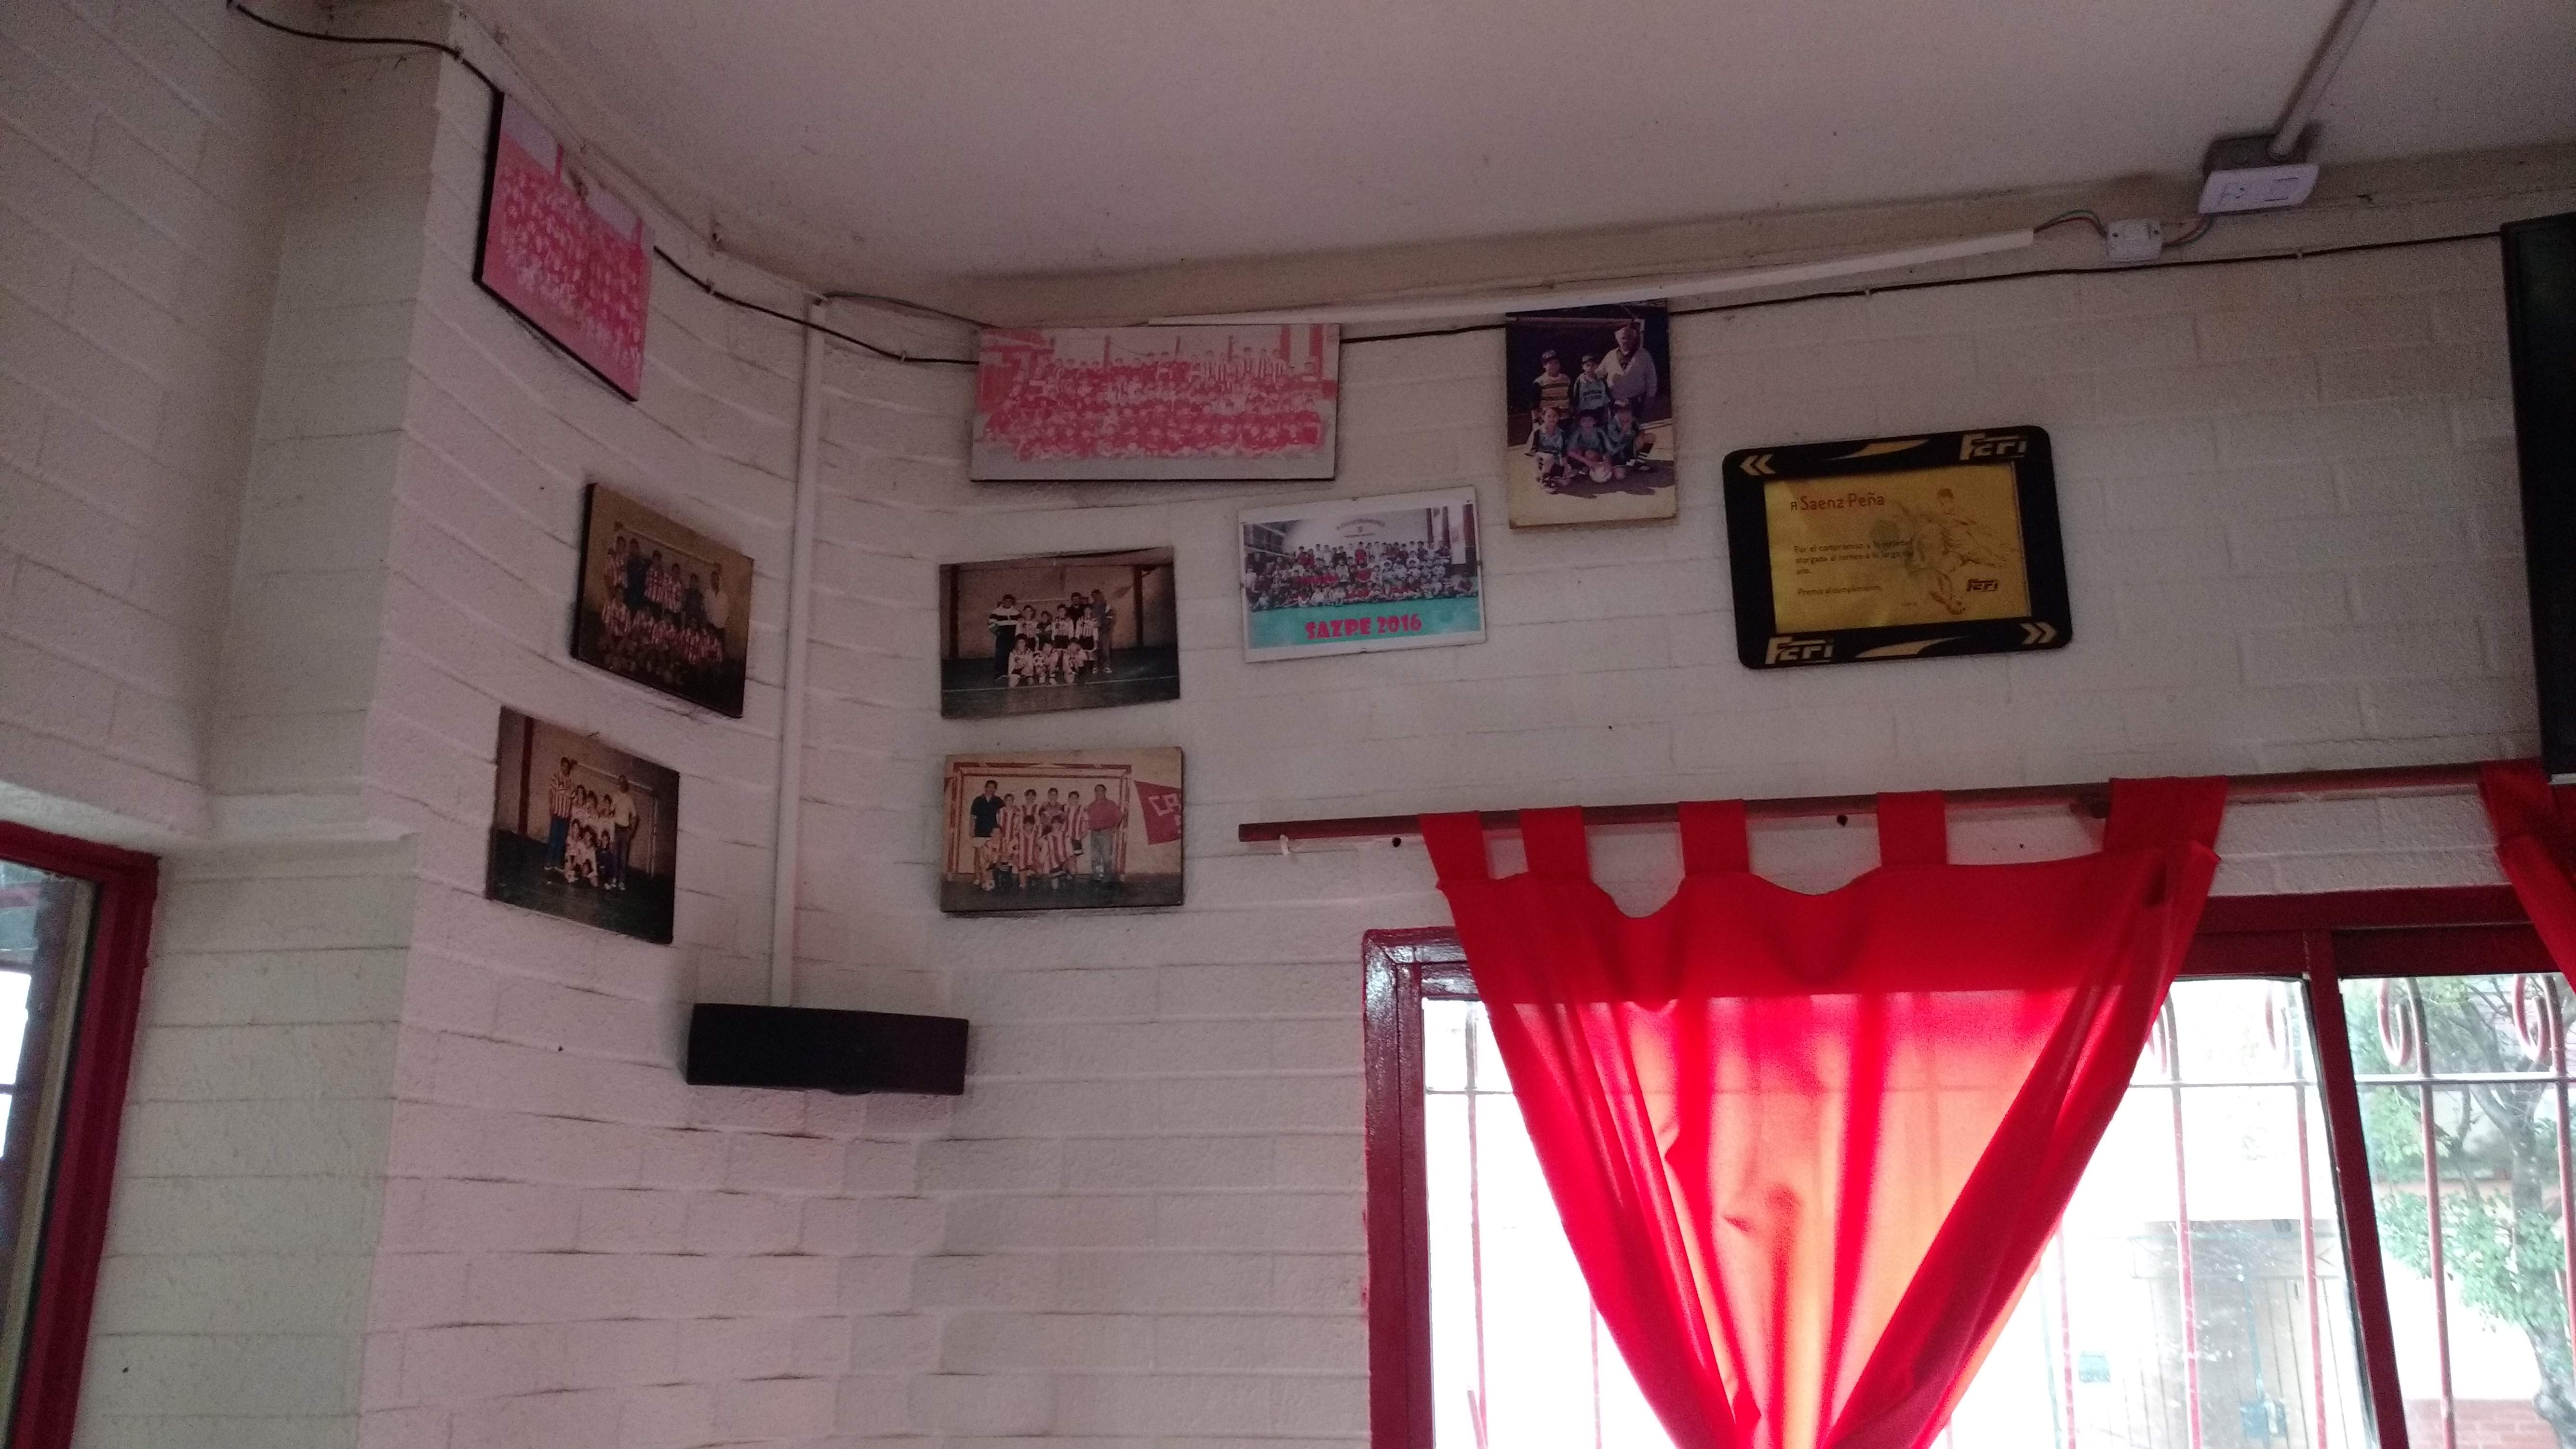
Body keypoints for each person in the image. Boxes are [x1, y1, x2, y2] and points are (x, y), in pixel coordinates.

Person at [1599, 317, 1660, 417]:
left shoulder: (1644, 355)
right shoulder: (1611, 355)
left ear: (1634, 338)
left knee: (1635, 426)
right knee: (1616, 426)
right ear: (1618, 339)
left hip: (1636, 401)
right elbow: (1600, 373)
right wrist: (1588, 376)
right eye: (1623, 338)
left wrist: (1651, 396)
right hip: (1615, 402)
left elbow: (1652, 377)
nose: (1627, 341)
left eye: (1630, 337)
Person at [1083, 784, 1125, 884]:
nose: (1099, 793)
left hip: (1105, 833)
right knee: (1095, 857)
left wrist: (1114, 828)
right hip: (1094, 833)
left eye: (1101, 791)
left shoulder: (1111, 804)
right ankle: (1098, 875)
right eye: (1097, 791)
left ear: (1105, 792)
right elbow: (1086, 819)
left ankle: (1108, 877)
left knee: (1106, 856)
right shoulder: (1091, 806)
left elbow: (1119, 816)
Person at [543, 756, 577, 879]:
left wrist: (571, 815)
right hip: (557, 813)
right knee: (553, 838)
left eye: (567, 767)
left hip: (566, 816)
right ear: (561, 766)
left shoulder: (572, 783)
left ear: (569, 768)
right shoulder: (556, 777)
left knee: (562, 840)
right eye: (563, 766)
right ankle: (549, 862)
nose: (565, 769)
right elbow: (551, 792)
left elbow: (573, 797)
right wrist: (551, 806)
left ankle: (557, 862)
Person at [969, 779, 1006, 889]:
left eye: (993, 788)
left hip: (992, 833)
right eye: (989, 787)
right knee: (978, 855)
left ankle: (989, 878)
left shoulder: (998, 801)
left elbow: (1004, 813)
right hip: (980, 831)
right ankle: (977, 877)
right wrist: (971, 829)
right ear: (985, 788)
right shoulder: (978, 800)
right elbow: (973, 816)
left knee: (990, 857)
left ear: (995, 789)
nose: (991, 789)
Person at [1564, 410, 1613, 484]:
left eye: (1590, 420)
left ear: (1594, 422)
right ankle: (1582, 468)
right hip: (1583, 458)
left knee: (1590, 454)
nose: (1587, 423)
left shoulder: (1600, 433)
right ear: (1580, 423)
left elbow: (1608, 449)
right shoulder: (1578, 433)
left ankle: (1597, 469)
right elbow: (1569, 451)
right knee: (1578, 452)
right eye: (1584, 421)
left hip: (1598, 456)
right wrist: (1587, 462)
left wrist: (1607, 462)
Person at [609, 775, 639, 893]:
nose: (622, 785)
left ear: (626, 784)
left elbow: (635, 816)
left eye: (624, 783)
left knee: (623, 858)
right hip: (616, 830)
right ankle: (615, 879)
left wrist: (632, 831)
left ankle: (622, 881)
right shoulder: (616, 796)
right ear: (618, 784)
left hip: (625, 831)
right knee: (615, 856)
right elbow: (610, 810)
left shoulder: (630, 799)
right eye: (620, 783)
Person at [1528, 405, 1569, 489]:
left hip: (1556, 459)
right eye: (1549, 416)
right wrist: (1544, 456)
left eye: (1555, 416)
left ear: (1559, 418)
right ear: (1543, 417)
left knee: (1566, 482)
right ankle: (1544, 481)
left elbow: (1563, 453)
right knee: (1549, 459)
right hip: (1542, 460)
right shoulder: (1538, 432)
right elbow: (1533, 452)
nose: (1552, 419)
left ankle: (1552, 477)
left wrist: (1566, 469)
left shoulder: (1561, 433)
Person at [1530, 350, 1574, 422]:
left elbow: (1571, 398)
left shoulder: (1567, 380)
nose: (1554, 366)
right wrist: (1536, 420)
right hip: (1547, 420)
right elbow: (1534, 405)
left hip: (1565, 419)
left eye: (1556, 363)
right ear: (1544, 365)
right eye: (1550, 363)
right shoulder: (1539, 382)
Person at [987, 594, 1020, 679]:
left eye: (1010, 601)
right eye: (1006, 601)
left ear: (1012, 602)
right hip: (1002, 636)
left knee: (1012, 653)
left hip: (1013, 636)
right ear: (1003, 602)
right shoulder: (997, 612)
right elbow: (991, 623)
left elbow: (1020, 623)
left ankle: (1011, 671)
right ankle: (1000, 672)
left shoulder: (1016, 612)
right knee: (1001, 653)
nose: (1008, 603)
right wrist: (997, 633)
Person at [1605, 401, 1642, 471]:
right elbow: (1616, 442)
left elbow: (1641, 429)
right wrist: (1624, 430)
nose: (1625, 415)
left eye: (1628, 412)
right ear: (1616, 413)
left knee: (1649, 438)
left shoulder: (1633, 420)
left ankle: (1640, 462)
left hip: (1631, 446)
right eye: (1622, 413)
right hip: (1617, 451)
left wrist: (1640, 436)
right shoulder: (1612, 424)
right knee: (1620, 475)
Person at [1573, 354, 1612, 419]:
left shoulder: (1602, 381)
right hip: (1585, 413)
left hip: (1599, 412)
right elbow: (1576, 399)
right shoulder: (1580, 382)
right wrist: (1577, 415)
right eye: (1587, 365)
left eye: (1593, 365)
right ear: (1583, 367)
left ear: (1597, 366)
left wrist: (1607, 412)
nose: (1590, 368)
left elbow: (1606, 398)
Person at [1090, 588, 1114, 676]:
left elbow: (1110, 618)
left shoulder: (1107, 606)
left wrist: (1101, 624)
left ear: (1101, 595)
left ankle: (1107, 666)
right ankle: (1095, 666)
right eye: (1094, 596)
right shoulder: (1091, 606)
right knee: (1094, 649)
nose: (1096, 597)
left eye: (1098, 595)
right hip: (1093, 632)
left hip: (1104, 631)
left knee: (1105, 649)